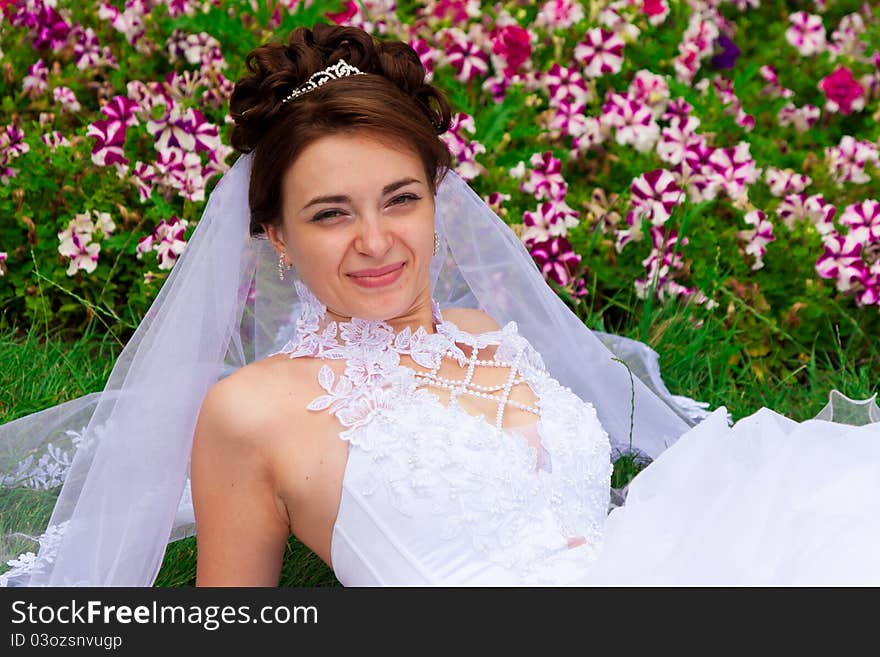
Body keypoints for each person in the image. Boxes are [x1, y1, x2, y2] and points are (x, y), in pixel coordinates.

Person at [1, 24, 879, 587]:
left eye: (400, 198)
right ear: (274, 233)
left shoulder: (485, 334)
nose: (377, 241)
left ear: (437, 198)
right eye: (330, 214)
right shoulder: (251, 411)